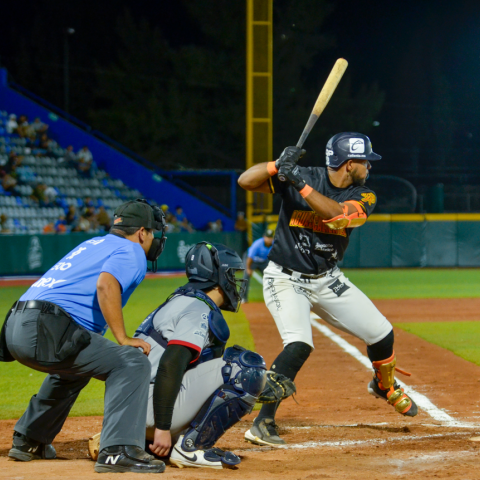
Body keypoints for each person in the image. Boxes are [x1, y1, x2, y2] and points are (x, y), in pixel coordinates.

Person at [238, 132, 418, 447]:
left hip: (326, 277)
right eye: (365, 161)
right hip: (285, 278)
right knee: (298, 344)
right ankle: (262, 423)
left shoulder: (364, 194)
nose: (369, 167)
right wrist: (276, 165)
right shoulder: (303, 176)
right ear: (349, 164)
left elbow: (338, 217)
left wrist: (298, 183)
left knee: (382, 333)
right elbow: (245, 181)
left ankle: (383, 385)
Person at [0, 199, 169, 474]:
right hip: (46, 327)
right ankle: (119, 450)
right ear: (141, 232)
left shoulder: (93, 244)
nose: (153, 239)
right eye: (152, 233)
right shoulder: (132, 250)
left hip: (14, 325)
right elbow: (106, 284)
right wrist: (123, 338)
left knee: (76, 367)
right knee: (131, 362)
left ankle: (30, 439)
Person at [89, 242, 268, 470]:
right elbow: (170, 365)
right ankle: (190, 448)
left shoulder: (182, 300)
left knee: (227, 365)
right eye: (231, 274)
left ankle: (135, 440)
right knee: (246, 368)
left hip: (131, 412)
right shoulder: (197, 308)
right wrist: (163, 429)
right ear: (218, 277)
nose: (236, 281)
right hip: (149, 410)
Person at [242, 228, 274, 303]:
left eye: (270, 238)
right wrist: (248, 269)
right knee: (246, 276)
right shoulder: (257, 244)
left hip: (263, 261)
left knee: (270, 277)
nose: (269, 239)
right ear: (264, 237)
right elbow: (250, 257)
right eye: (267, 237)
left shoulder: (274, 245)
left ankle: (272, 298)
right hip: (252, 260)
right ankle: (243, 298)